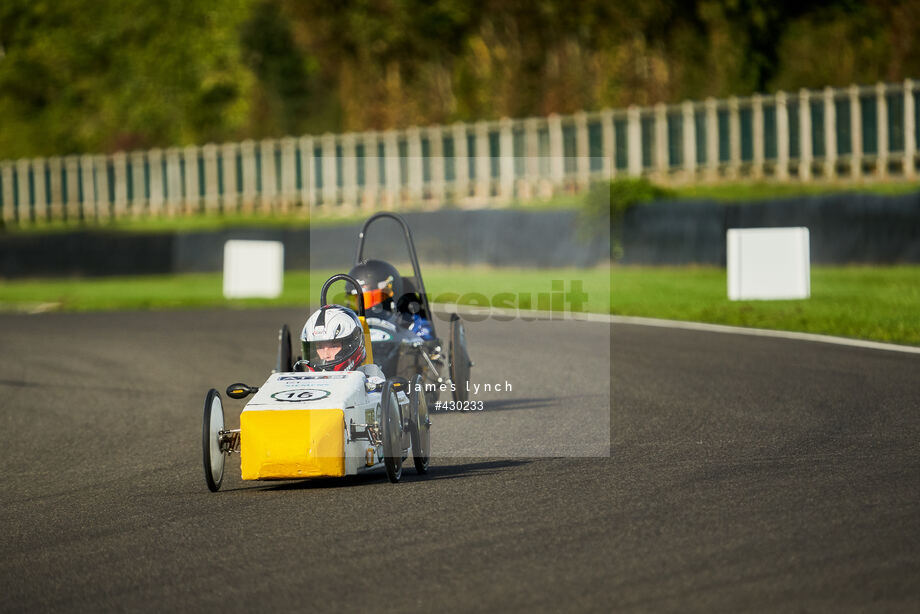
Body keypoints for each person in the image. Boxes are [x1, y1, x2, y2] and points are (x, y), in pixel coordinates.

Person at [348, 259, 434, 340]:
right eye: (355, 299)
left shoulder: (408, 322)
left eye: (370, 299)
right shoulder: (349, 325)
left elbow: (426, 343)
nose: (365, 307)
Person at [299, 304, 385, 382]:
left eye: (334, 346)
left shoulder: (371, 377)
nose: (326, 355)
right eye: (320, 347)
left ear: (351, 345)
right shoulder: (306, 381)